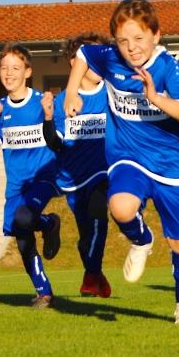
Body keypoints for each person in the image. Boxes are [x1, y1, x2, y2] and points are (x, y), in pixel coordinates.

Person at [63, 0, 179, 325]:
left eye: (139, 38)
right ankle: (141, 240)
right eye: (123, 40)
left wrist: (155, 98)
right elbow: (84, 54)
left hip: (173, 166)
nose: (131, 47)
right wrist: (71, 92)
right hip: (129, 156)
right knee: (121, 207)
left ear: (156, 35)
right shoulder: (110, 57)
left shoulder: (169, 68)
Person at [0, 43, 62, 309]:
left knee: (24, 218)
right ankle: (43, 291)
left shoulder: (41, 102)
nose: (9, 73)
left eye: (15, 68)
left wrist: (50, 116)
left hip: (42, 177)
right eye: (4, 68)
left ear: (27, 71)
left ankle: (49, 223)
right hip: (16, 184)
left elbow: (55, 143)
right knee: (21, 235)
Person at [49, 32, 114, 299]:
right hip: (73, 177)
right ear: (75, 64)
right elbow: (55, 143)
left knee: (100, 214)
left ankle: (91, 273)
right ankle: (94, 273)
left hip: (104, 171)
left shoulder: (112, 93)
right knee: (87, 234)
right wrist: (46, 119)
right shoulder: (62, 101)